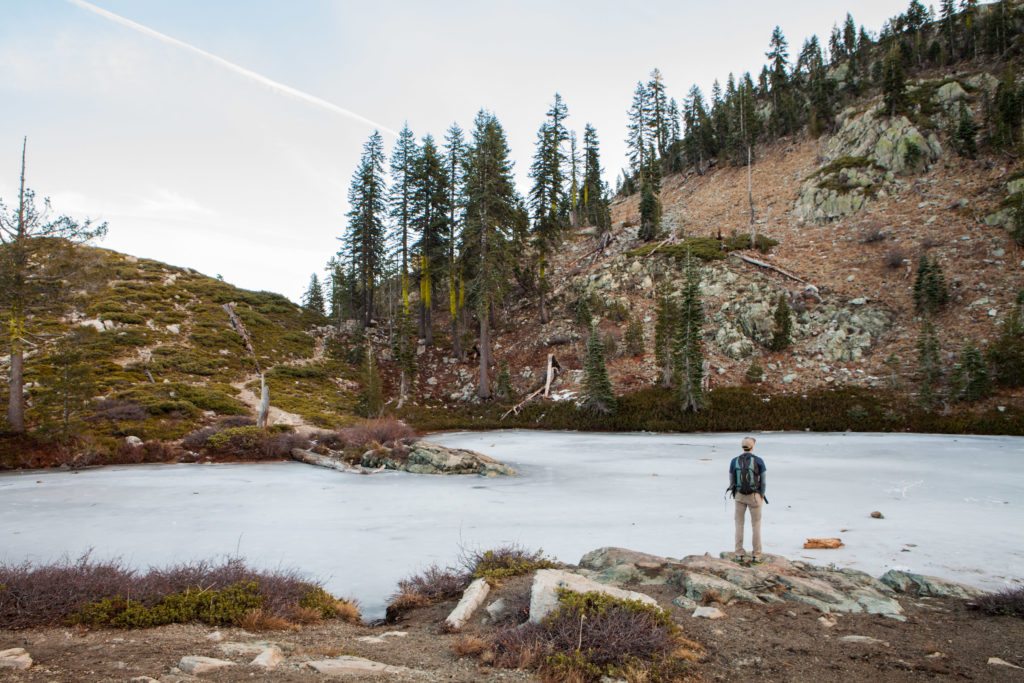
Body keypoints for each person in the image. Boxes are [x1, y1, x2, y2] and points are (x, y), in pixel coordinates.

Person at [728, 436, 767, 561]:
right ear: (752, 446)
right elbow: (764, 482)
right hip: (754, 496)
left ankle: (739, 553)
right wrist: (761, 495)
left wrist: (736, 494)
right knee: (756, 525)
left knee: (739, 524)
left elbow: (731, 481)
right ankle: (756, 554)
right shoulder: (759, 461)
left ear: (742, 446)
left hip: (739, 496)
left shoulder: (734, 461)